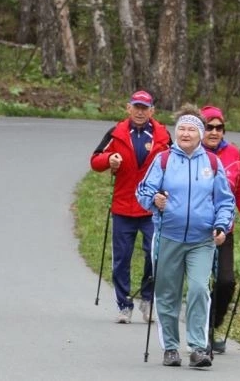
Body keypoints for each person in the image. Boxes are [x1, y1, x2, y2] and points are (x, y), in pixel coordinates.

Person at [137, 104, 235, 368]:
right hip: (168, 236)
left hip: (202, 240)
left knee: (200, 289)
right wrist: (153, 199)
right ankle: (170, 347)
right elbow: (143, 191)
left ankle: (197, 347)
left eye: (192, 129)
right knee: (168, 294)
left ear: (201, 134)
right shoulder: (163, 160)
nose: (186, 133)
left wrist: (221, 225)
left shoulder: (212, 163)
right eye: (182, 128)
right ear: (176, 132)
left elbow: (225, 201)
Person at [90, 90, 171, 324]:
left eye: (144, 108)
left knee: (153, 255)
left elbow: (174, 163)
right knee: (121, 259)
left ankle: (147, 299)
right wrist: (109, 160)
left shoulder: (163, 135)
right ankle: (124, 304)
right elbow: (95, 160)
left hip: (151, 209)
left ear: (152, 111)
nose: (139, 111)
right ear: (128, 108)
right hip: (123, 206)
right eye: (136, 107)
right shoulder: (116, 133)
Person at [199, 105, 240, 354]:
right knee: (201, 283)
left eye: (219, 127)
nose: (214, 132)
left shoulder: (233, 154)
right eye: (209, 127)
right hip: (198, 230)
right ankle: (201, 335)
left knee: (226, 282)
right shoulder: (193, 153)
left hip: (226, 230)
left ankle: (211, 327)